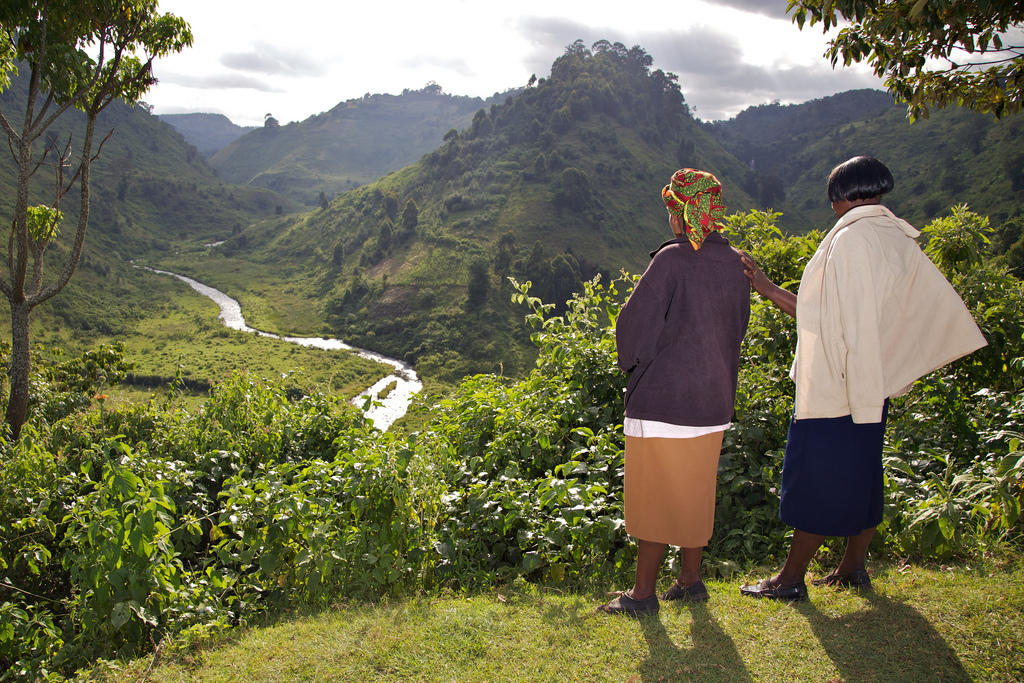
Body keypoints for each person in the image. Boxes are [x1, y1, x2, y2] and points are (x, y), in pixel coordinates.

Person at [739, 156, 987, 600]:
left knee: (817, 480)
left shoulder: (852, 240)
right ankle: (853, 567)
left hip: (843, 384)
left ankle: (790, 579)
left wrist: (767, 289)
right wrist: (768, 286)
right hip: (872, 382)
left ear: (840, 196)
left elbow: (837, 324)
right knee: (864, 476)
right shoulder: (893, 234)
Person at [597, 168, 751, 616]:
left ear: (680, 213)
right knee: (694, 490)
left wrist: (633, 365)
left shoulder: (671, 260)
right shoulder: (737, 262)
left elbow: (634, 329)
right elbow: (736, 329)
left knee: (655, 494)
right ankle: (690, 580)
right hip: (713, 398)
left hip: (665, 399)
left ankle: (642, 594)